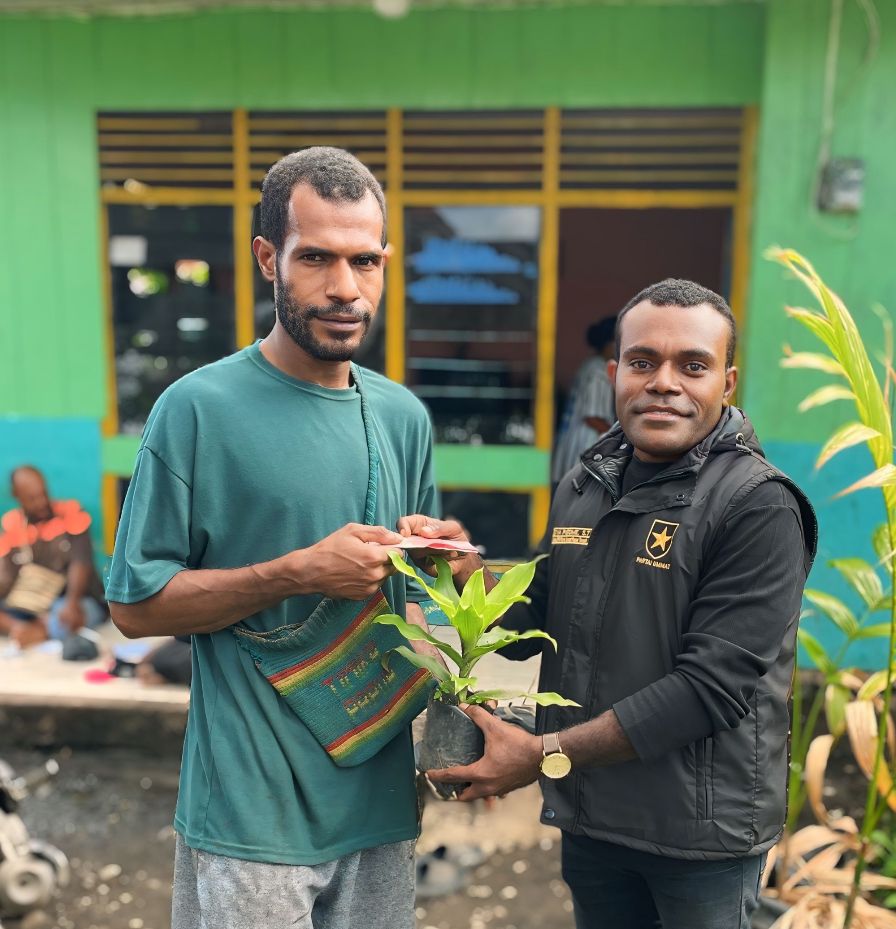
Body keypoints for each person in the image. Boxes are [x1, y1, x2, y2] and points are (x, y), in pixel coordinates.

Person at [399, 279, 817, 929]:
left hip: (697, 840)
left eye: (693, 365)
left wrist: (542, 753)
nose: (664, 383)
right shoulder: (586, 484)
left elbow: (708, 690)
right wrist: (464, 572)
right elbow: (541, 607)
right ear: (613, 371)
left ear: (727, 383)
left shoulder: (757, 505)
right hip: (594, 819)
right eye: (643, 361)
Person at [105, 147, 440, 929]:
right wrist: (297, 571)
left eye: (364, 261)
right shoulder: (197, 410)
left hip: (379, 802)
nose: (345, 287)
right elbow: (135, 607)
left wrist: (439, 574)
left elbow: (418, 610)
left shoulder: (403, 417)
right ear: (268, 258)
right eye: (316, 258)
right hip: (250, 815)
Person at [0, 466, 107, 648]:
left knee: (68, 617)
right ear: (16, 495)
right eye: (32, 498)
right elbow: (6, 578)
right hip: (32, 604)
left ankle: (38, 631)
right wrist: (13, 624)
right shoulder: (12, 524)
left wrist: (72, 601)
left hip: (72, 599)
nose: (41, 502)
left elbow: (81, 561)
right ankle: (21, 629)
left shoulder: (71, 512)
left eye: (43, 494)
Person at [551, 316, 617, 484]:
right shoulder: (598, 371)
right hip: (584, 444)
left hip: (571, 442)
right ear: (611, 343)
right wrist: (620, 439)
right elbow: (592, 418)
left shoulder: (589, 365)